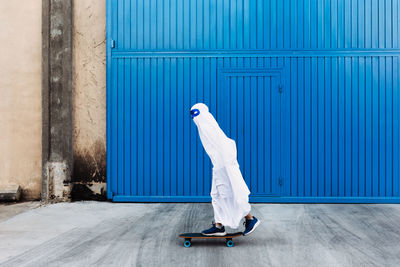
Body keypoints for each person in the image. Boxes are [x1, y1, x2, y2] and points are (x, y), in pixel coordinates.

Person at [190, 103, 260, 236]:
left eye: (196, 113)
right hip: (218, 166)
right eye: (192, 114)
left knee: (233, 192)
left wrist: (228, 168)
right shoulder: (203, 127)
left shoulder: (210, 125)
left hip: (225, 165)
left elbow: (226, 146)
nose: (194, 117)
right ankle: (218, 225)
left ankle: (250, 219)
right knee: (216, 195)